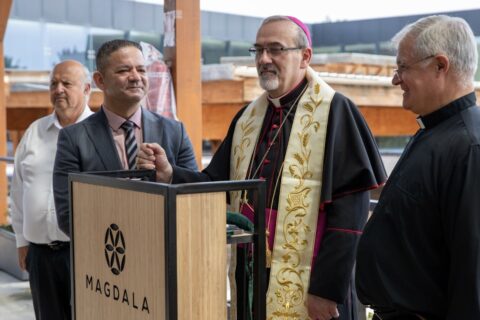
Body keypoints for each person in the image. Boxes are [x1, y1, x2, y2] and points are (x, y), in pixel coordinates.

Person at [138, 16, 386, 320]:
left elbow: (349, 216)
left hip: (312, 280)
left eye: (276, 49)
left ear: (304, 57)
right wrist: (170, 173)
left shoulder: (335, 110)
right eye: (258, 51)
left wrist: (326, 290)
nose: (264, 59)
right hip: (253, 269)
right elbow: (216, 183)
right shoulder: (247, 118)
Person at [356, 15, 480, 319]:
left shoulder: (468, 147)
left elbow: (472, 272)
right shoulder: (437, 132)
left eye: (403, 68)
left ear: (440, 65)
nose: (395, 80)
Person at [53, 39, 197, 237]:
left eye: (141, 70)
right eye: (123, 71)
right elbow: (67, 215)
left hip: (165, 250)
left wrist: (168, 176)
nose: (136, 77)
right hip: (109, 256)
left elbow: (194, 197)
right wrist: (126, 239)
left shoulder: (174, 132)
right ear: (100, 80)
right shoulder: (73, 138)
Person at [10, 60, 94, 320]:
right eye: (53, 83)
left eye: (67, 83)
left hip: (84, 254)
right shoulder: (35, 131)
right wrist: (22, 242)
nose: (58, 89)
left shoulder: (100, 134)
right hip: (40, 255)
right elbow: (18, 190)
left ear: (87, 89)